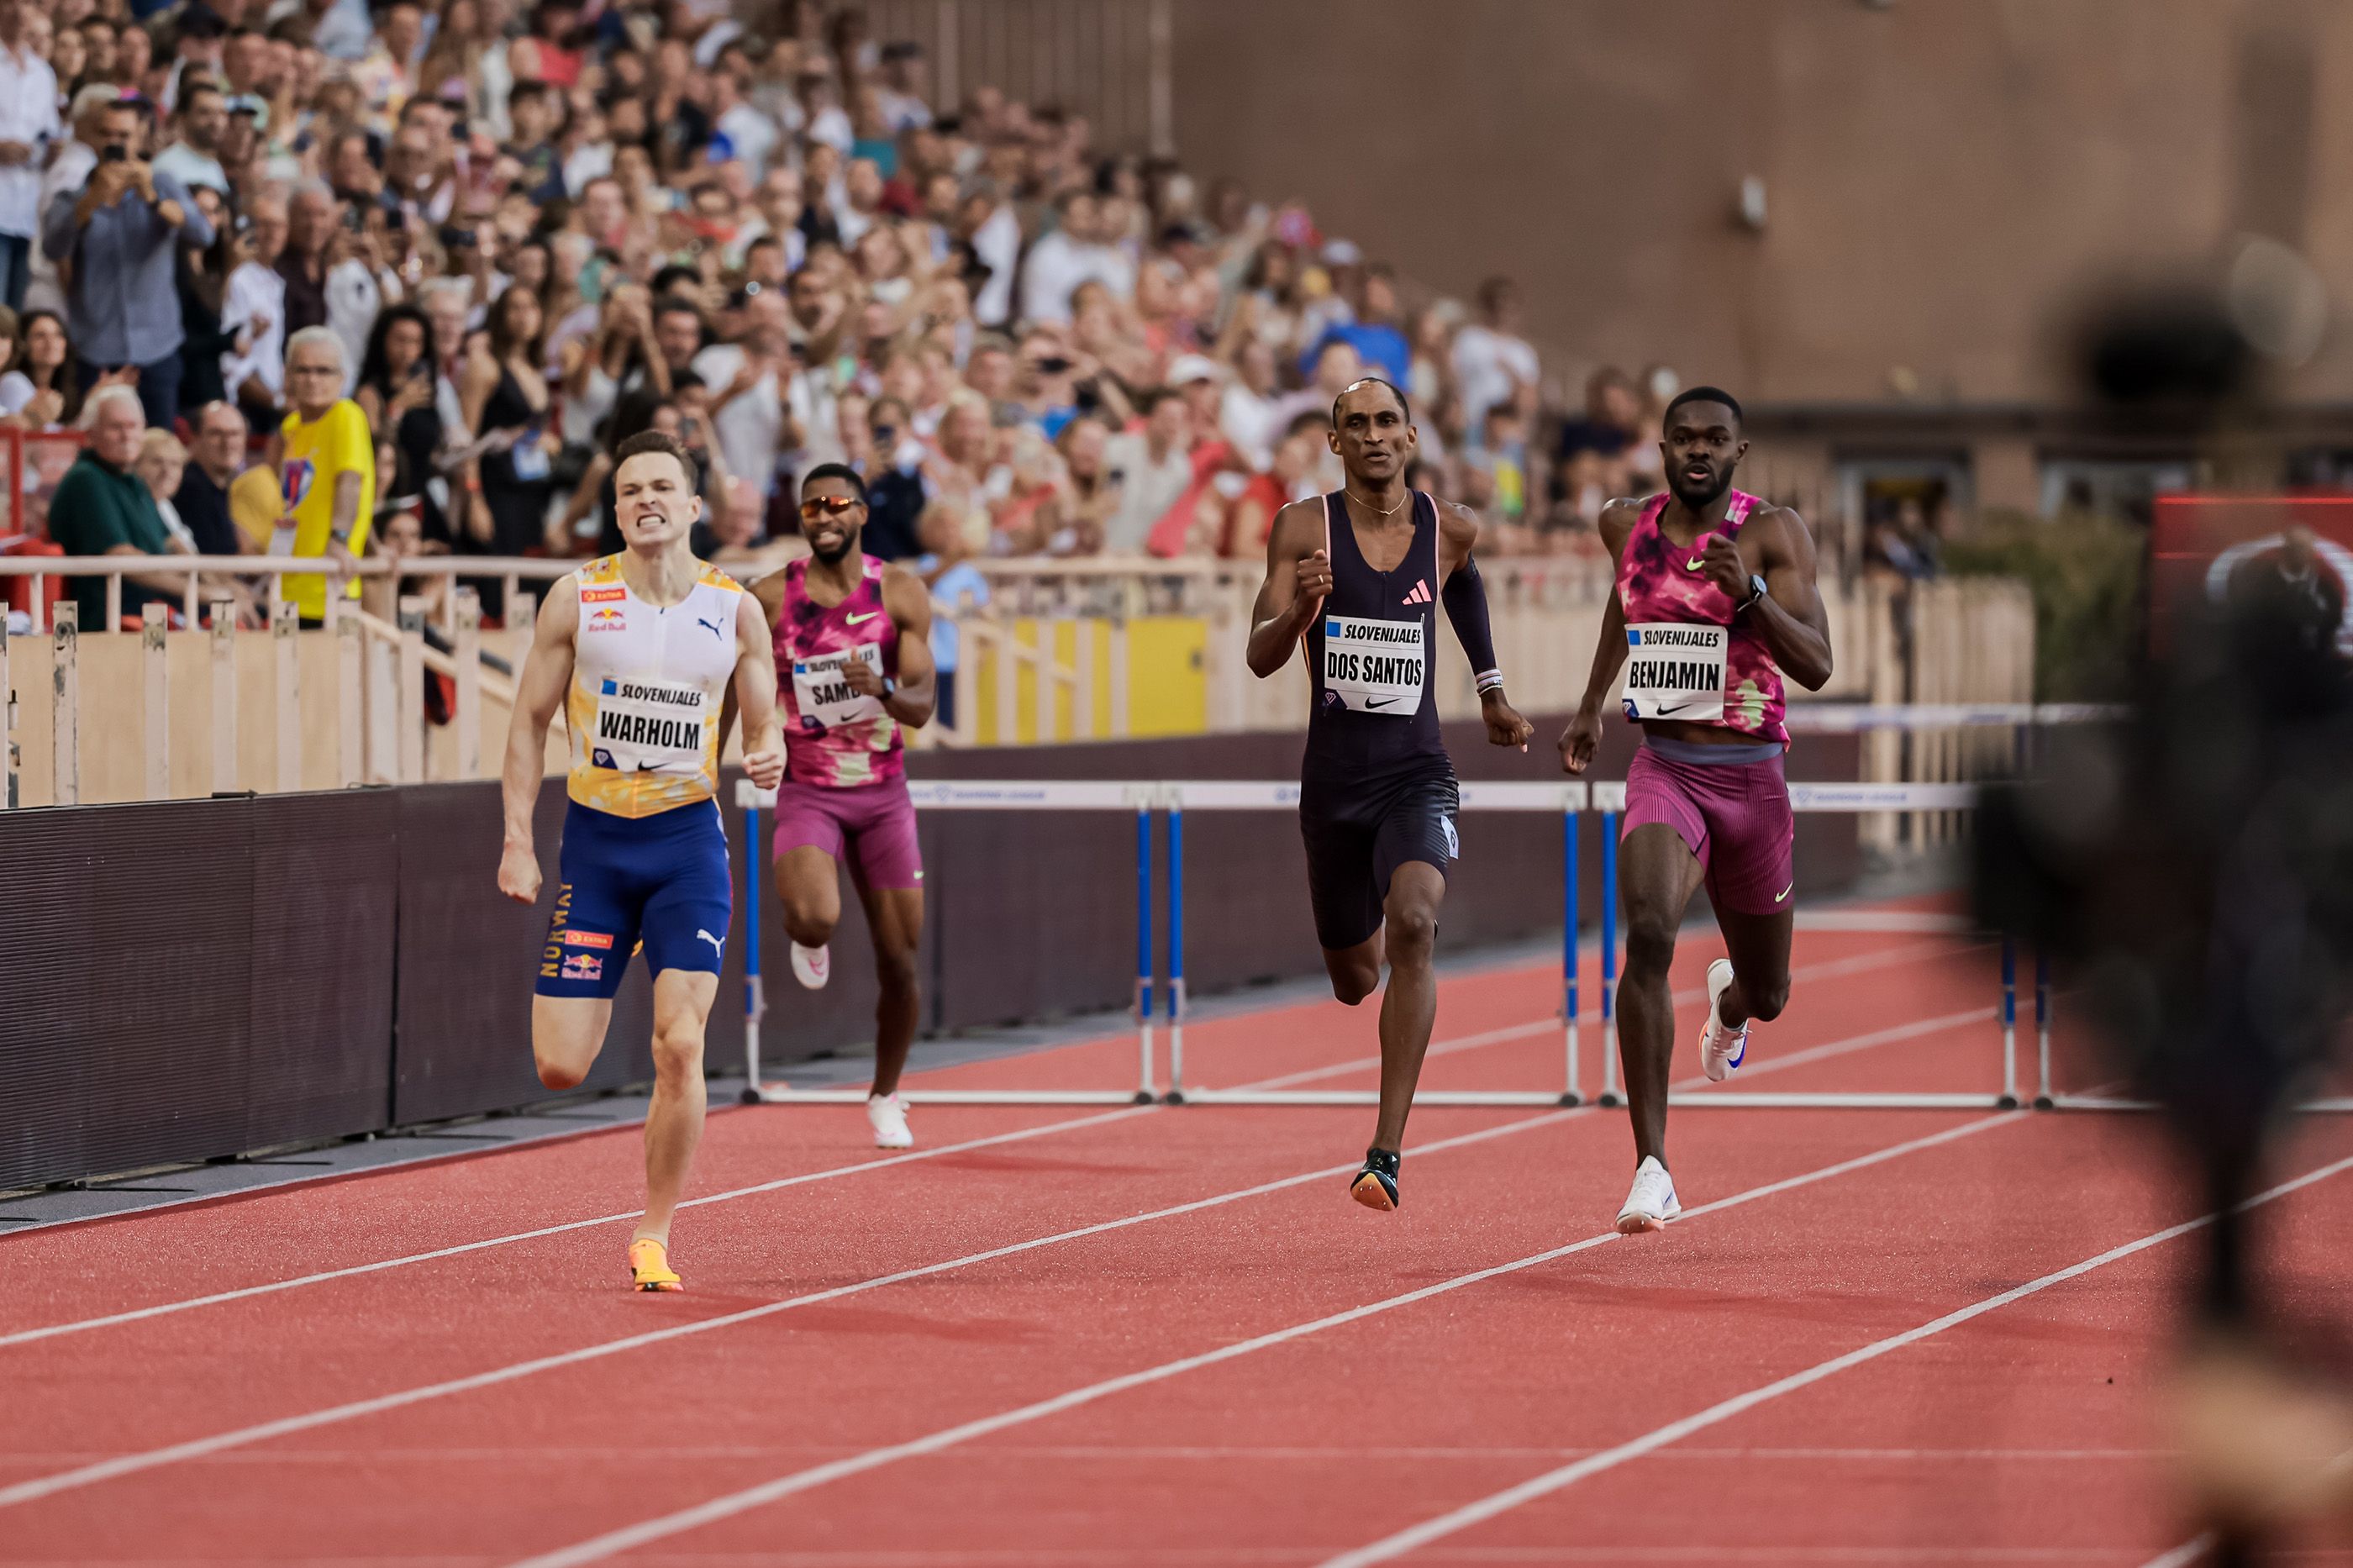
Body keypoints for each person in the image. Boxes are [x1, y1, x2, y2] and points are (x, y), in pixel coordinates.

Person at [497, 428, 785, 1293]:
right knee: (559, 1064)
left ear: (695, 506)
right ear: (615, 509)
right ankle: (615, 944)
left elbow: (763, 711)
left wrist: (766, 749)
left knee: (680, 1042)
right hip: (596, 845)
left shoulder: (734, 610)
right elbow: (528, 723)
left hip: (685, 845)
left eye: (663, 486)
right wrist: (517, 838)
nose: (646, 500)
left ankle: (652, 1235)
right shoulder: (576, 599)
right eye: (630, 491)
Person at [1245, 376, 1532, 1210]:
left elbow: (1463, 581)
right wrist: (1299, 609)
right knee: (1352, 979)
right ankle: (1360, 953)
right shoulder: (1303, 527)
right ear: (1335, 443)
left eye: (1385, 422)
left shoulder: (1449, 528)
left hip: (1416, 774)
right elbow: (1261, 656)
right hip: (1332, 787)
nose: (1372, 436)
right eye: (1355, 425)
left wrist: (1488, 686)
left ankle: (1385, 1153)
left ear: (1410, 437)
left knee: (1414, 922)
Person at [1558, 387, 1834, 1234]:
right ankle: (1652, 1165)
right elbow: (1626, 600)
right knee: (1645, 931)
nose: (1698, 451)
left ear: (1738, 451)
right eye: (1683, 438)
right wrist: (1591, 700)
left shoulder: (1772, 531)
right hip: (1666, 767)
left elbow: (1818, 662)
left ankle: (1730, 1007)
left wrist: (1749, 593)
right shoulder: (1623, 525)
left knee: (1772, 991)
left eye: (1715, 439)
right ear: (1663, 447)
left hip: (1752, 780)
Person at [745, 460, 937, 1150]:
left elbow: (923, 707)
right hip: (809, 788)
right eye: (809, 509)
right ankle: (812, 940)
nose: (822, 518)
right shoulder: (771, 598)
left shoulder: (902, 593)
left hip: (884, 795)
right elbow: (741, 679)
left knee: (901, 962)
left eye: (834, 506)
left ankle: (886, 1094)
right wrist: (756, 737)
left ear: (859, 512)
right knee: (813, 916)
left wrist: (881, 686)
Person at [43, 94, 212, 429]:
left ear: (142, 139)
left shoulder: (163, 184)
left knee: (157, 449)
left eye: (124, 136)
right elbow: (52, 247)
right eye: (106, 134)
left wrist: (151, 198)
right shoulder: (74, 193)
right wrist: (92, 201)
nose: (114, 144)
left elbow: (202, 234)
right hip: (98, 351)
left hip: (157, 348)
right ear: (93, 137)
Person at [47, 386, 185, 629]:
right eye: (116, 427)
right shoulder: (86, 478)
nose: (127, 435)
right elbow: (120, 556)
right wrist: (198, 589)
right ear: (90, 434)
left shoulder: (134, 482)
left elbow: (172, 544)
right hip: (108, 623)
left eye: (133, 426)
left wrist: (221, 583)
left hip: (152, 612)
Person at [270, 326, 376, 624]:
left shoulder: (346, 415)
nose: (313, 379)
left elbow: (351, 482)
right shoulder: (291, 426)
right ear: (288, 375)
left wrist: (340, 540)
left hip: (328, 584)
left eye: (324, 371)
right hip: (289, 582)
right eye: (302, 370)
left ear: (341, 378)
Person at [0, 0, 61, 313]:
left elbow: (49, 135)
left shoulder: (42, 73)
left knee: (14, 317)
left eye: (26, 3)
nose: (19, 11)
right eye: (10, 2)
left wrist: (50, 152)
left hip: (27, 212)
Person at [174, 398, 253, 557]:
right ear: (194, 437)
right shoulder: (188, 488)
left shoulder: (224, 487)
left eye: (235, 434)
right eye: (216, 433)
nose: (227, 443)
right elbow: (213, 559)